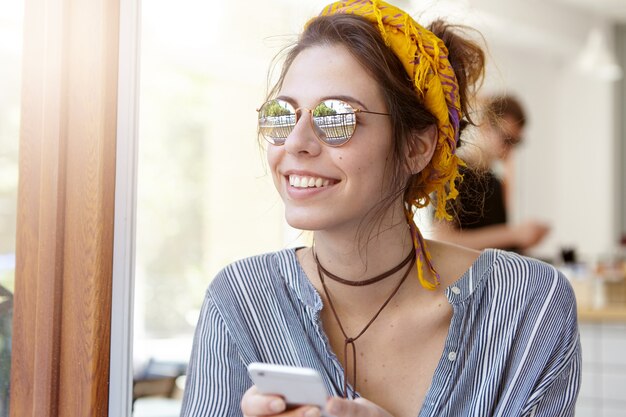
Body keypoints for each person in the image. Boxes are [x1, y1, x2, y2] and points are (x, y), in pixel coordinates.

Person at [180, 1, 580, 416]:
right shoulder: (239, 302)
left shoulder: (528, 307)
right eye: (282, 115)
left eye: (335, 117)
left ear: (416, 147)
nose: (295, 142)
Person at [432, 94, 550, 252]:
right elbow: (443, 240)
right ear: (486, 126)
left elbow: (497, 248)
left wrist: (521, 239)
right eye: (507, 138)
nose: (510, 148)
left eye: (516, 142)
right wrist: (514, 235)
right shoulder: (451, 173)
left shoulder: (495, 182)